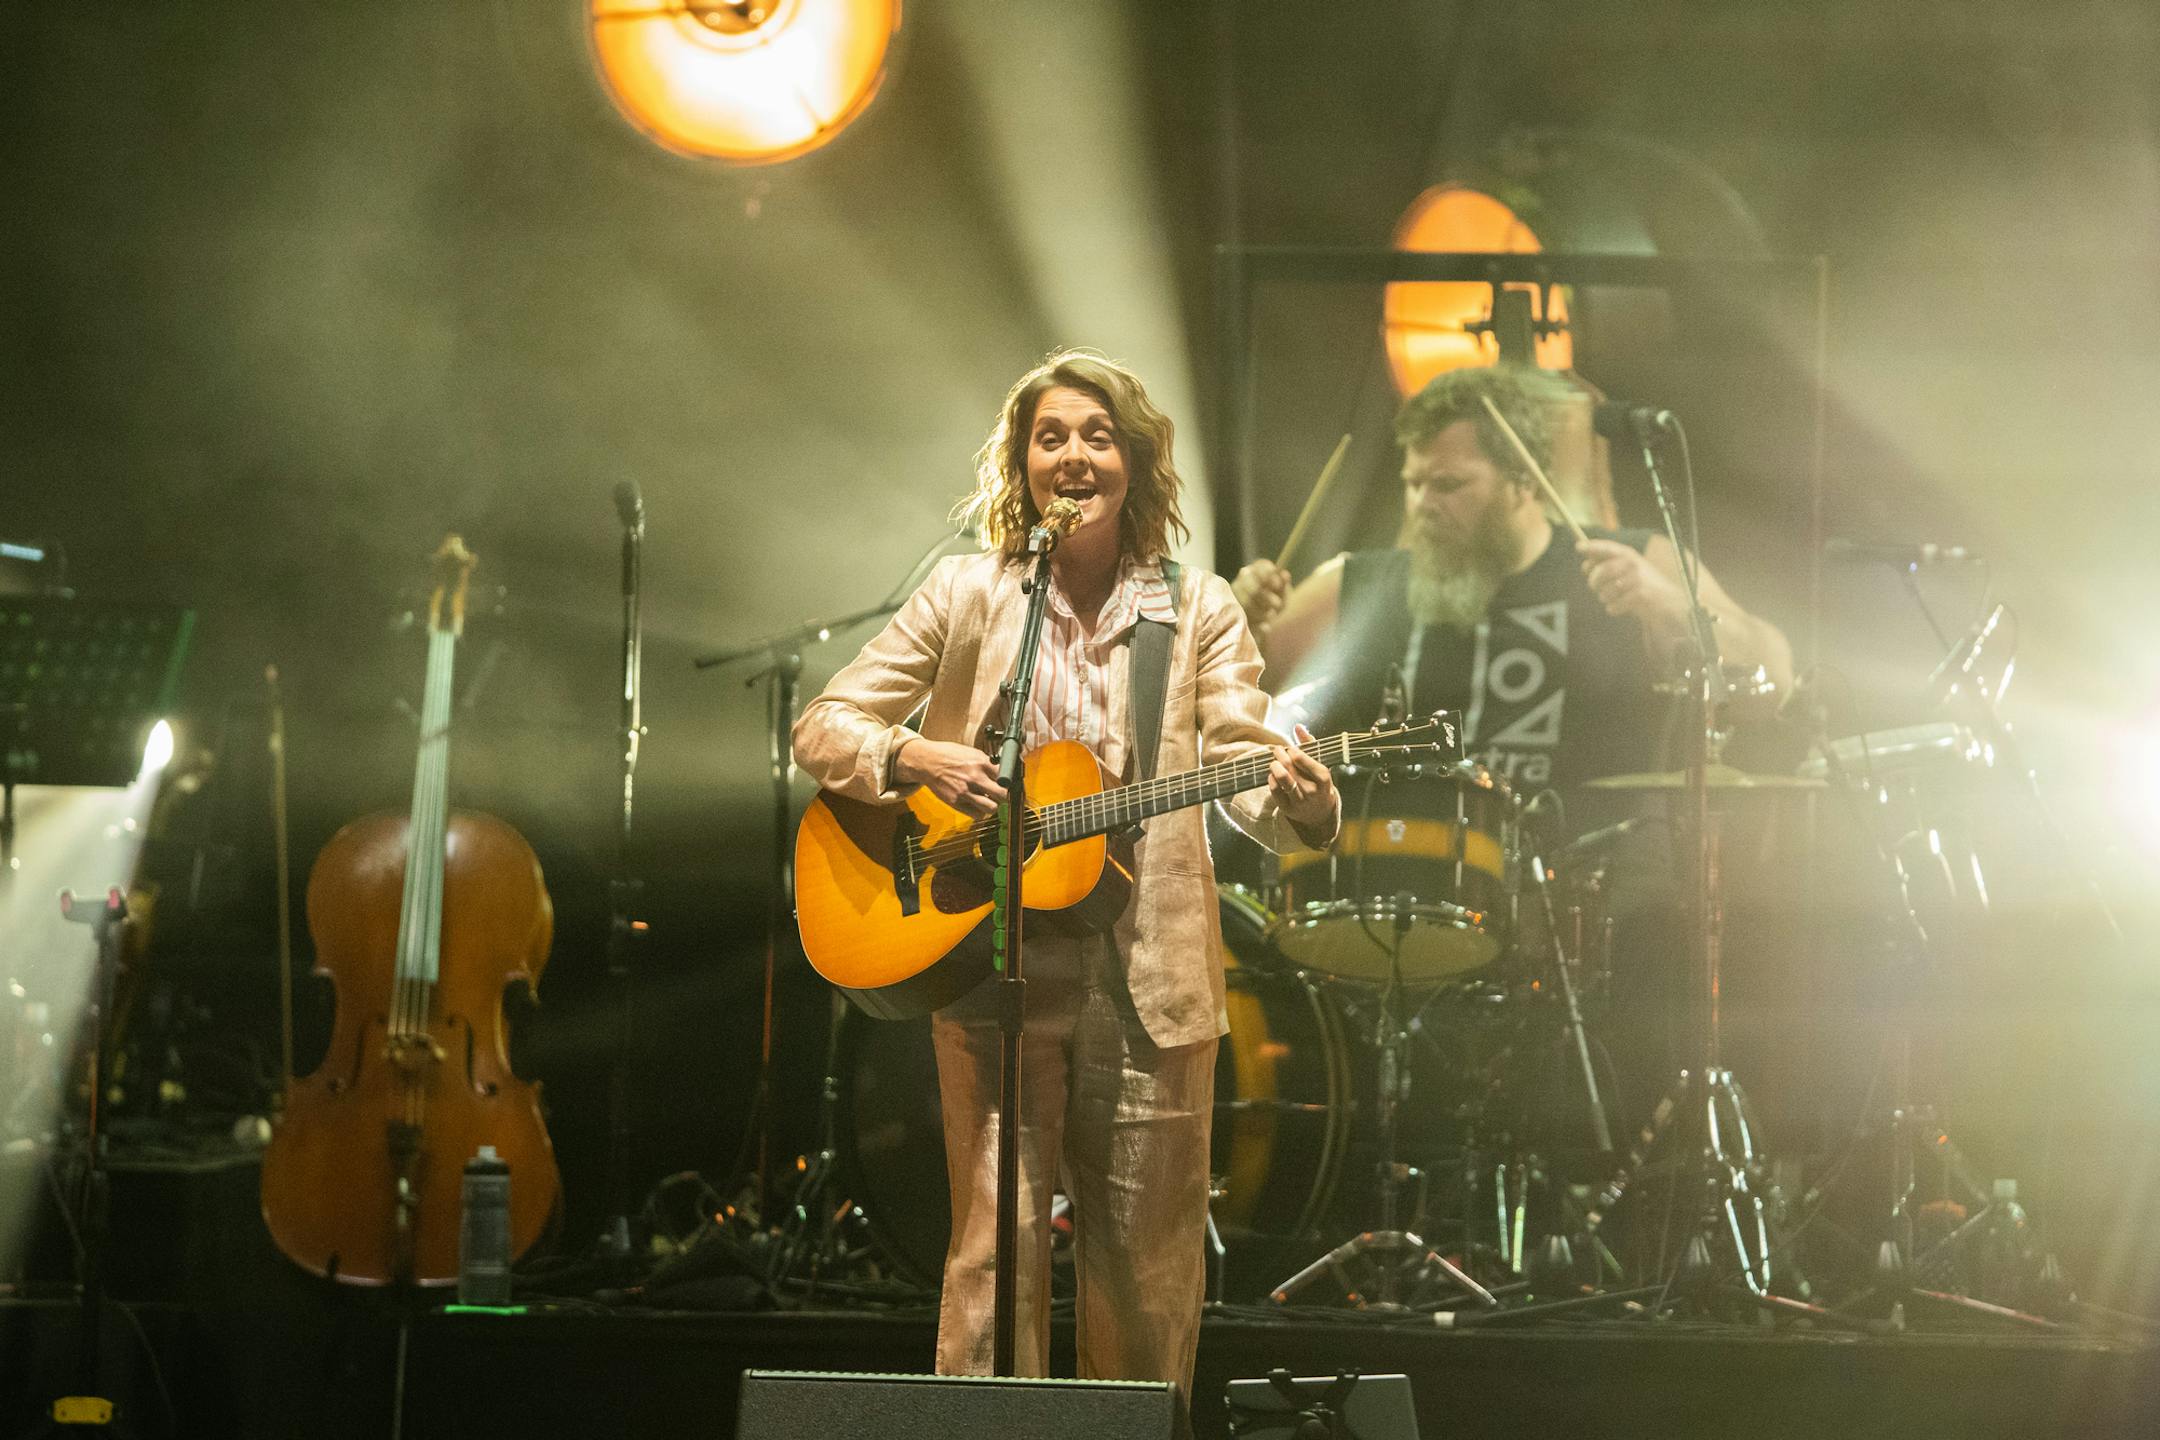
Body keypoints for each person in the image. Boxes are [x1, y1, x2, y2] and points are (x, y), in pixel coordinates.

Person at [792, 350, 1340, 1393]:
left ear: (1134, 463)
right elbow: (823, 725)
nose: (1074, 456)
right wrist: (911, 756)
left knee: (1144, 1276)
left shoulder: (1197, 608)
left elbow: (1240, 756)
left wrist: (1304, 801)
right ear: (1023, 463)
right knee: (991, 1260)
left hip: (1151, 981)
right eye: (1052, 437)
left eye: (1097, 436)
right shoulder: (969, 592)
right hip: (987, 961)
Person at [1233, 364, 1794, 805]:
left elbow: (1773, 679)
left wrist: (1665, 601)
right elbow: (1230, 711)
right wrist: (1239, 628)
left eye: (1448, 484)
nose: (1423, 504)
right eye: (1414, 483)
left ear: (1523, 483)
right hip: (1405, 885)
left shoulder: (1632, 561)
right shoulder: (1361, 582)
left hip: (1590, 892)